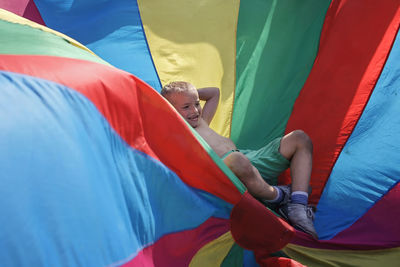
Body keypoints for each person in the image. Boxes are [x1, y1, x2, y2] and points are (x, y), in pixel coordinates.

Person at [161, 81, 317, 239]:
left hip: (249, 158)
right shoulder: (181, 134)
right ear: (171, 110)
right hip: (230, 174)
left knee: (299, 138)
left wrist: (190, 94)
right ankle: (281, 196)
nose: (195, 110)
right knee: (236, 160)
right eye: (186, 107)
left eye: (196, 104)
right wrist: (165, 105)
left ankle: (298, 203)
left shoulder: (200, 121)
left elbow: (214, 92)